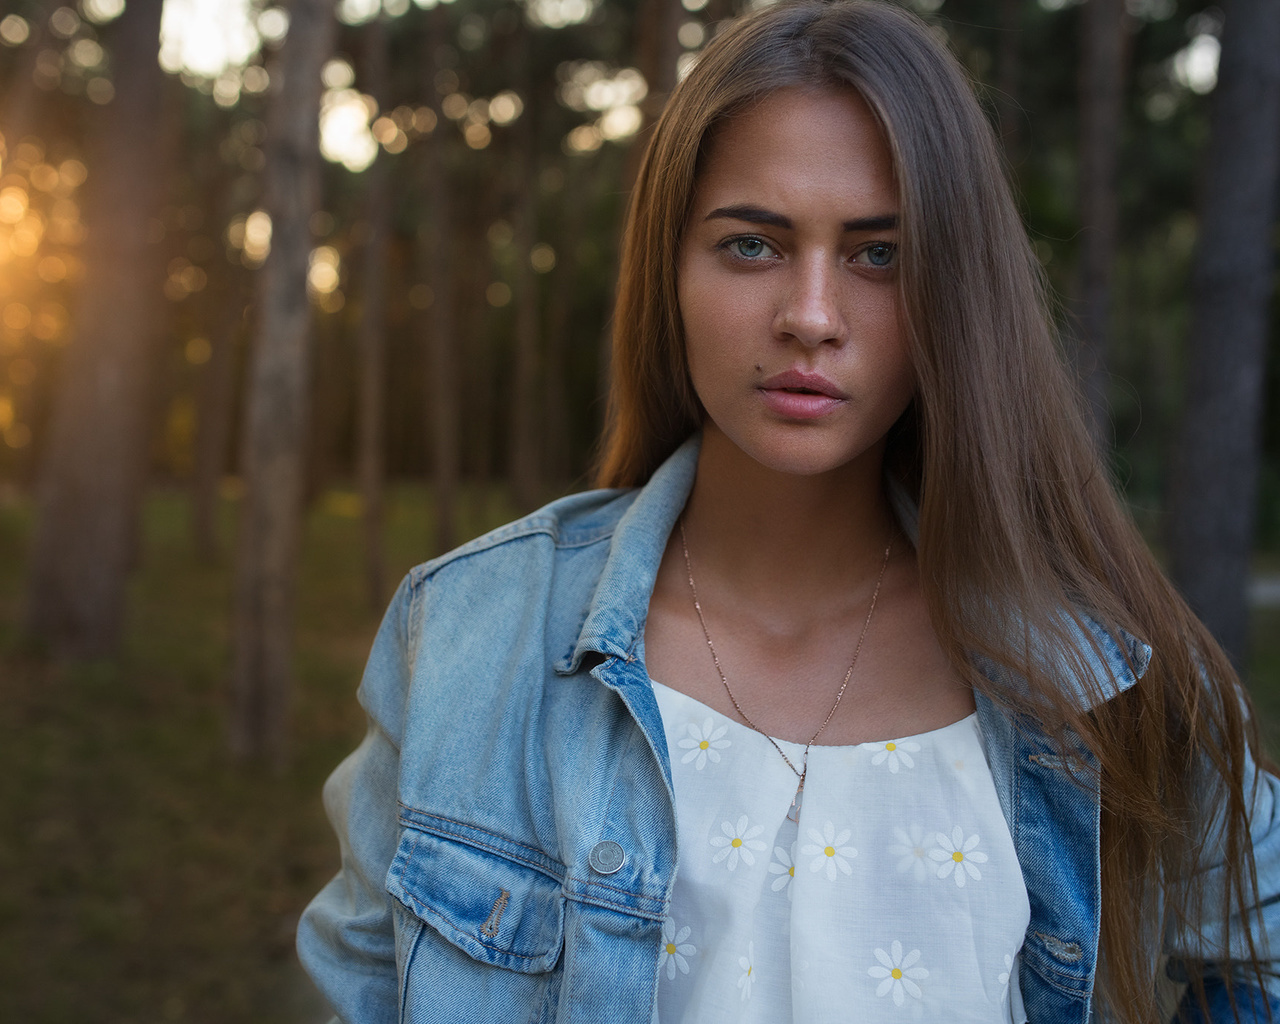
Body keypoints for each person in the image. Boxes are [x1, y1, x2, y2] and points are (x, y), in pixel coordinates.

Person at [297, 1, 1280, 1021]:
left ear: (954, 290)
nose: (809, 316)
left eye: (877, 256)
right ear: (670, 270)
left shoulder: (1086, 669)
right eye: (751, 246)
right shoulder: (470, 635)